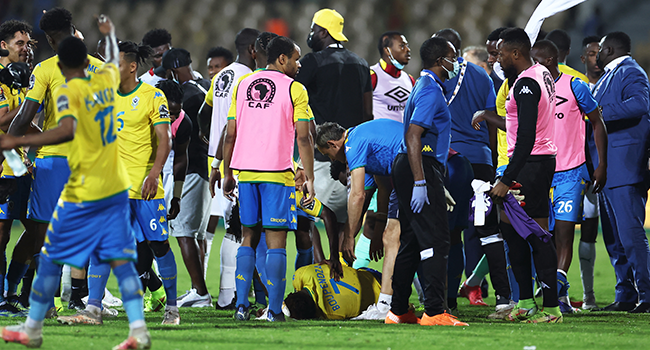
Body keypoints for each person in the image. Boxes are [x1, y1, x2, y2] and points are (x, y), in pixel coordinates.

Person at [0, 16, 151, 349]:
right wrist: (110, 35)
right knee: (119, 255)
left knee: (51, 252)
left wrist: (11, 144)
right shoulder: (107, 76)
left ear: (62, 63)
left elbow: (66, 130)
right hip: (113, 176)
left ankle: (33, 328)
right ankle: (138, 330)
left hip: (79, 176)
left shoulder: (71, 88)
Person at [7, 7, 105, 316]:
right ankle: (82, 301)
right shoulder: (99, 69)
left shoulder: (46, 69)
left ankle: (46, 304)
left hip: (53, 163)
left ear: (48, 38)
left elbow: (23, 118)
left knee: (43, 234)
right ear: (74, 29)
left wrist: (9, 153)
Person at [222, 36, 315, 322]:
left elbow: (230, 133)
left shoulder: (244, 84)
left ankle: (241, 306)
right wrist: (309, 176)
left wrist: (227, 172)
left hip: (246, 174)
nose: (299, 65)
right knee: (276, 243)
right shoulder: (295, 89)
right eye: (296, 58)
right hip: (277, 175)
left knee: (247, 238)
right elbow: (304, 135)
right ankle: (274, 310)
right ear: (283, 58)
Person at [387, 36, 467, 327]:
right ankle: (434, 311)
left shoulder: (424, 86)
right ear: (440, 60)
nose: (456, 62)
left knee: (411, 240)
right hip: (419, 165)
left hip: (413, 166)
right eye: (453, 56)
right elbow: (413, 135)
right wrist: (422, 181)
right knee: (436, 239)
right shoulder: (431, 91)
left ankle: (398, 310)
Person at [434, 28, 512, 315]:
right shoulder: (482, 76)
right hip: (481, 162)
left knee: (451, 232)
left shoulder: (435, 76)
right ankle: (504, 298)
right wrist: (491, 159)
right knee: (489, 230)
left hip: (451, 163)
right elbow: (493, 119)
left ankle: (448, 301)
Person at [489, 28, 561, 323]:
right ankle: (525, 301)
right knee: (512, 230)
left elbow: (527, 135)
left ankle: (552, 309)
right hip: (537, 162)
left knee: (538, 236)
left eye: (501, 54)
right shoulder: (540, 72)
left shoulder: (526, 85)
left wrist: (506, 179)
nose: (498, 59)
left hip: (530, 164)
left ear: (516, 53)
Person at [531, 39, 608, 313]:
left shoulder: (576, 86)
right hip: (539, 173)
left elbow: (598, 123)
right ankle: (545, 289)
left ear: (549, 61)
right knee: (542, 236)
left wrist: (601, 165)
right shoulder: (530, 90)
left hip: (570, 173)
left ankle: (559, 295)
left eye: (535, 61)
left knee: (564, 235)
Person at [315, 118, 402, 320]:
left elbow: (358, 195)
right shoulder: (365, 143)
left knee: (396, 238)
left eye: (328, 155)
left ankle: (386, 305)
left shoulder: (354, 143)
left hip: (417, 167)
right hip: (419, 165)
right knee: (401, 238)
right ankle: (406, 302)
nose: (332, 160)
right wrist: (374, 232)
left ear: (333, 144)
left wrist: (349, 238)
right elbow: (382, 188)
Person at [590, 32, 650, 313]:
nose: (596, 54)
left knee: (630, 234)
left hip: (625, 165)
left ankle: (647, 295)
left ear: (610, 49)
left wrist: (599, 110)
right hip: (607, 167)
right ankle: (625, 294)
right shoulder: (608, 76)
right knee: (613, 237)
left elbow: (640, 104)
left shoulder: (630, 72)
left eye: (599, 49)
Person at [295, 8, 372, 226]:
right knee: (344, 222)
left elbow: (296, 101)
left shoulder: (311, 62)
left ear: (324, 33)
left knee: (307, 219)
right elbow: (368, 112)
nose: (310, 33)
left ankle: (315, 261)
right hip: (354, 157)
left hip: (322, 154)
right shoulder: (361, 63)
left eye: (314, 28)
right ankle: (339, 260)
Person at [203, 28, 259, 310]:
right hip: (238, 161)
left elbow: (205, 113)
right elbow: (234, 126)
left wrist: (212, 150)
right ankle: (229, 295)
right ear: (253, 50)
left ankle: (229, 294)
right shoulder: (250, 79)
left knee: (231, 227)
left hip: (220, 159)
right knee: (239, 228)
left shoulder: (222, 75)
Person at [159, 48, 213, 308]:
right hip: (203, 167)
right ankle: (197, 289)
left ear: (170, 72)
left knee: (183, 232)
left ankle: (200, 291)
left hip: (191, 168)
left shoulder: (185, 98)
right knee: (195, 234)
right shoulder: (203, 87)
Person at [0, 19, 37, 316]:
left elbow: (27, 125)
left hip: (19, 164)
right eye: (19, 44)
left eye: (28, 44)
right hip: (3, 167)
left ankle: (14, 292)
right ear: (3, 45)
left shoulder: (20, 78)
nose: (25, 49)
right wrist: (24, 96)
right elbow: (3, 121)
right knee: (1, 234)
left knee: (38, 231)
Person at [149, 79, 191, 313]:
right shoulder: (139, 113)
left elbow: (181, 158)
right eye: (169, 112)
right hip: (127, 181)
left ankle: (166, 301)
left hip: (156, 185)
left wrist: (176, 196)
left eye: (176, 112)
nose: (173, 117)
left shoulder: (183, 123)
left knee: (155, 242)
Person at [578, 35, 604, 310]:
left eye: (600, 52)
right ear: (583, 58)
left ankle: (589, 296)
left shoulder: (609, 87)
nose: (597, 58)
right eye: (592, 54)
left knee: (590, 231)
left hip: (597, 170)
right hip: (572, 168)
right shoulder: (576, 86)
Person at [285, 264, 381, 320]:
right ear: (291, 293)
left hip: (383, 298)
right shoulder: (303, 274)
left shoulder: (330, 313)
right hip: (372, 276)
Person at [370, 31, 414, 122]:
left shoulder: (410, 79)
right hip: (378, 134)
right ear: (387, 50)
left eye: (407, 45)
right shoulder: (372, 75)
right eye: (402, 46)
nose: (407, 49)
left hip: (402, 135)